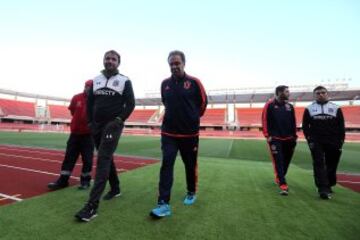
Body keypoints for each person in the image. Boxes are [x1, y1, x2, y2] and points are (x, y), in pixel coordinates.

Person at [75, 50, 135, 222]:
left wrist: (118, 120)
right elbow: (91, 102)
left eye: (113, 59)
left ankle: (92, 206)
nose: (110, 61)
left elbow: (131, 104)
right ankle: (115, 188)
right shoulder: (96, 80)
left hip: (112, 126)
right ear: (103, 61)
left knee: (102, 159)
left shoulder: (124, 80)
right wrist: (90, 122)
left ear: (118, 62)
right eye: (107, 58)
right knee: (107, 157)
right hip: (96, 126)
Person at [150, 50, 208, 218]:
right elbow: (165, 101)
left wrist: (192, 118)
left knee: (190, 165)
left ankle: (191, 192)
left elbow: (203, 103)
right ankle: (163, 203)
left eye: (177, 63)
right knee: (166, 165)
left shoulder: (194, 82)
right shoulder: (164, 84)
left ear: (184, 63)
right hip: (168, 133)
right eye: (171, 64)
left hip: (189, 135)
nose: (174, 66)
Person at [48, 80, 94, 190]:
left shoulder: (96, 100)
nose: (89, 88)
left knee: (87, 159)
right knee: (69, 158)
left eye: (91, 87)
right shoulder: (76, 97)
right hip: (75, 134)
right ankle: (63, 180)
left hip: (88, 135)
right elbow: (73, 111)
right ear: (85, 87)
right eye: (87, 86)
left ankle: (85, 181)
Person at [302, 86, 345, 200]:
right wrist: (309, 139)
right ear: (314, 95)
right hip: (316, 141)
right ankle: (323, 189)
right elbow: (305, 126)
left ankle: (330, 183)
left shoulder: (336, 108)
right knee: (319, 163)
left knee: (332, 164)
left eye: (323, 92)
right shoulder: (309, 109)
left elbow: (341, 126)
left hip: (333, 141)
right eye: (318, 93)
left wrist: (340, 141)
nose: (320, 94)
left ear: (327, 94)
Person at [262, 85, 297, 195]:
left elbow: (293, 122)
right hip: (275, 138)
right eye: (286, 92)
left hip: (289, 138)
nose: (288, 93)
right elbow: (264, 120)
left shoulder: (290, 106)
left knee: (286, 161)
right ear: (279, 93)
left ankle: (280, 176)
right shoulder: (270, 105)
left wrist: (294, 136)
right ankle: (283, 184)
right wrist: (267, 135)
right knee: (279, 161)